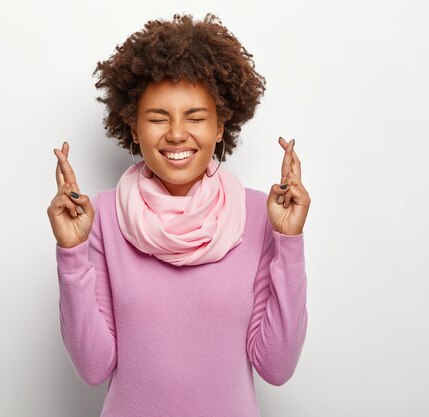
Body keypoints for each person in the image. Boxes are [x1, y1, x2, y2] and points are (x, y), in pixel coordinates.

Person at [46, 13, 311, 417]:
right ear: (133, 127)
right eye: (157, 118)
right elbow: (93, 368)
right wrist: (71, 252)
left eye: (195, 117)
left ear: (221, 126)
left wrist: (289, 242)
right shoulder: (99, 216)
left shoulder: (261, 215)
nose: (175, 134)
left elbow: (276, 366)